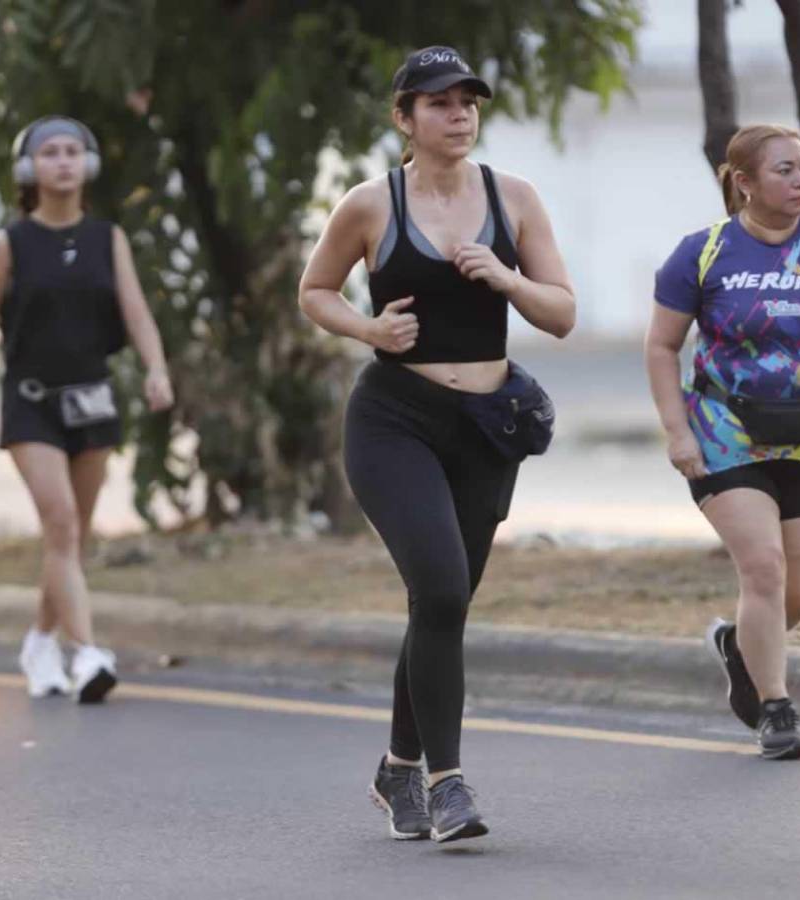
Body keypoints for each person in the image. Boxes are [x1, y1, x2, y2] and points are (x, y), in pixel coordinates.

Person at [299, 46, 574, 841]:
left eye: (467, 102)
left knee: (440, 605)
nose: (458, 115)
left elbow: (561, 312)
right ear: (404, 119)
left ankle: (396, 770)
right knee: (444, 591)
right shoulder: (369, 204)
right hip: (395, 421)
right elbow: (315, 290)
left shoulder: (512, 198)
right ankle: (449, 784)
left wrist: (507, 279)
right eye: (439, 103)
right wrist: (370, 328)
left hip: (487, 429)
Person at [645, 124, 800, 760]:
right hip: (724, 436)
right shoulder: (703, 251)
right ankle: (777, 708)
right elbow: (662, 346)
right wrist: (677, 430)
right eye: (784, 170)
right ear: (743, 183)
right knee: (764, 569)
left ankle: (736, 647)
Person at [0, 115, 174, 703]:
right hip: (30, 405)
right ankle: (88, 653)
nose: (61, 161)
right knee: (60, 523)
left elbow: (137, 313)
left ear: (85, 165)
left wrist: (156, 369)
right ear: (29, 168)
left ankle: (40, 641)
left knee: (71, 539)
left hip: (92, 401)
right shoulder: (9, 245)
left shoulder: (106, 238)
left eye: (71, 152)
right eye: (49, 153)